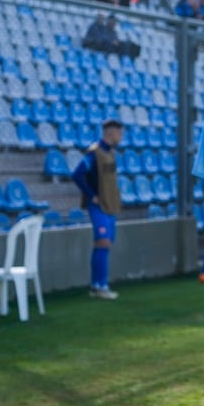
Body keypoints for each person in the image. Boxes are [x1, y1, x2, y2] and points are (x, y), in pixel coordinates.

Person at [72, 119, 125, 300]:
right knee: (103, 242)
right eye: (119, 133)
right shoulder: (94, 153)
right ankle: (100, 286)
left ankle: (97, 285)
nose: (121, 136)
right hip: (98, 205)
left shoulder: (110, 153)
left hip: (109, 203)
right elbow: (77, 174)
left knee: (104, 244)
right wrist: (90, 194)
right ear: (111, 132)